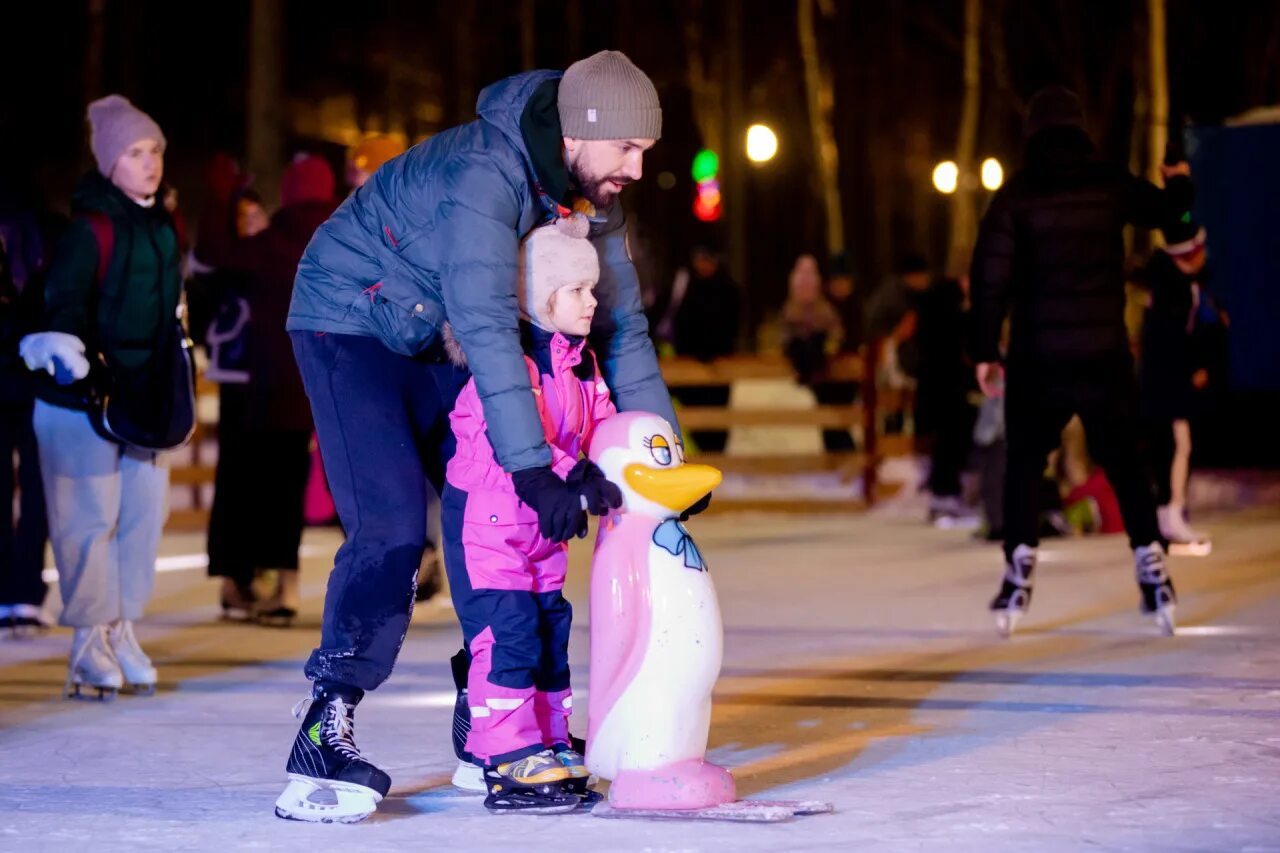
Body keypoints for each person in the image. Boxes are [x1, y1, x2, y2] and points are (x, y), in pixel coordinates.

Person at [275, 51, 692, 824]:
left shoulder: (592, 197)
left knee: (487, 510)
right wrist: (535, 463)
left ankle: (494, 723)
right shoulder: (485, 172)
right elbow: (489, 324)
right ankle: (324, 725)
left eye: (646, 150)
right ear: (579, 132)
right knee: (396, 527)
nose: (638, 167)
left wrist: (657, 459)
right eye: (628, 149)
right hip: (349, 319)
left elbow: (622, 327)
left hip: (439, 334)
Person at [968, 86, 1189, 637]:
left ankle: (1018, 571)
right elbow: (1170, 213)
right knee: (1124, 464)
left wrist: (983, 350)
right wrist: (1179, 177)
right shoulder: (1108, 183)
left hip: (1038, 359)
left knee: (1024, 465)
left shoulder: (1016, 196)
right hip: (1102, 356)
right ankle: (1152, 567)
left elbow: (989, 277)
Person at [442, 215, 620, 813]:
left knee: (550, 632)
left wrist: (629, 465)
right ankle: (505, 752)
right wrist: (572, 473)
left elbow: (603, 429)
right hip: (488, 528)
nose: (590, 301)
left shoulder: (579, 367)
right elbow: (509, 442)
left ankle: (545, 740)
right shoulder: (507, 370)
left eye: (592, 290)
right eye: (576, 290)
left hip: (542, 535)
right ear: (538, 298)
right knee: (509, 634)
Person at [19, 95, 182, 695]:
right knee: (87, 522)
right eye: (135, 152)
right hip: (77, 398)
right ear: (110, 161)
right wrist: (64, 347)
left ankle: (120, 629)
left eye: (156, 150)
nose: (149, 162)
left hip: (144, 400)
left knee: (142, 519)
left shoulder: (163, 225)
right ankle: (88, 639)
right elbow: (62, 301)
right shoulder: (89, 228)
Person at [202, 154, 337, 624]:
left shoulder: (273, 240)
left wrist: (221, 199)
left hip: (264, 385)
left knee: (250, 481)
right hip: (317, 383)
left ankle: (247, 577)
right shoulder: (341, 236)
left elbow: (215, 258)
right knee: (289, 484)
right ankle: (287, 585)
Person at [1140, 218, 1216, 555]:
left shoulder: (1183, 285)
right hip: (1165, 385)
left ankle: (1168, 513)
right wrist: (1190, 369)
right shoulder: (1171, 289)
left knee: (1176, 446)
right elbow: (1168, 341)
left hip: (1169, 383)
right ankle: (1169, 515)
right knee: (1173, 446)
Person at [0, 221, 50, 634]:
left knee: (36, 487)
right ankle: (22, 592)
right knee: (35, 488)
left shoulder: (42, 225)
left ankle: (21, 592)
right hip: (31, 376)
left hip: (30, 377)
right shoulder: (44, 225)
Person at [658, 244, 741, 452]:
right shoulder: (684, 287)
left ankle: (716, 463)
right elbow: (671, 319)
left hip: (719, 369)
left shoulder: (728, 289)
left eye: (708, 259)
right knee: (691, 423)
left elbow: (733, 325)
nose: (703, 265)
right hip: (689, 367)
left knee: (717, 427)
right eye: (700, 259)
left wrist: (717, 350)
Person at [780, 253, 842, 385]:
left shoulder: (825, 310)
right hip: (799, 361)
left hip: (822, 366)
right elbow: (784, 337)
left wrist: (829, 345)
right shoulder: (789, 312)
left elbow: (836, 334)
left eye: (810, 276)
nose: (805, 282)